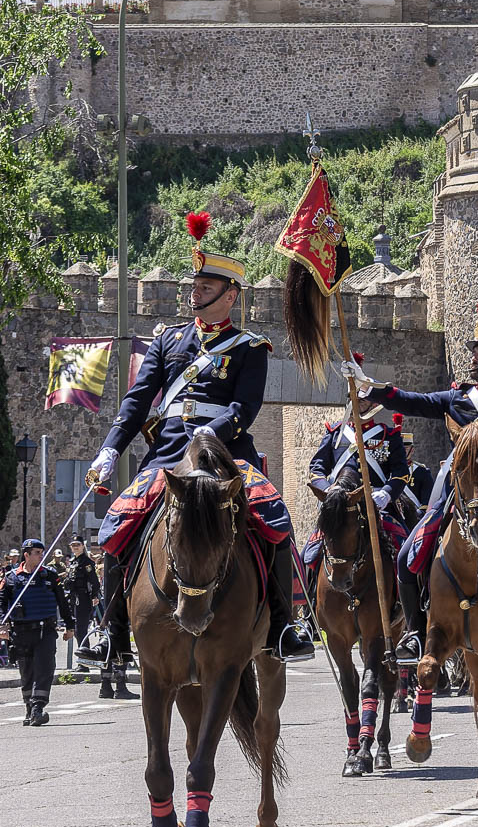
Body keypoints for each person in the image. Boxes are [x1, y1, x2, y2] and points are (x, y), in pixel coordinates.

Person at [86, 213, 312, 675]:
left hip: (226, 453)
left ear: (230, 295)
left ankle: (283, 626)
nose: (196, 292)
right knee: (118, 521)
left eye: (206, 286)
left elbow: (245, 408)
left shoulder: (250, 347)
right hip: (170, 452)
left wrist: (214, 433)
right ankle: (110, 630)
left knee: (275, 517)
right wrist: (110, 449)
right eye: (195, 285)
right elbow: (137, 401)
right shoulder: (167, 341)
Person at [344, 302, 478, 672]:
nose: (474, 359)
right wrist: (370, 387)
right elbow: (412, 401)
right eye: (474, 353)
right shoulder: (457, 397)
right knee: (406, 557)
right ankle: (416, 632)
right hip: (455, 494)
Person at [301, 401, 412, 598]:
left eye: (363, 399)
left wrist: (386, 493)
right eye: (355, 399)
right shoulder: (335, 433)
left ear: (374, 403)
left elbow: (401, 472)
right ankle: (306, 607)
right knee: (308, 553)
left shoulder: (388, 435)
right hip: (339, 505)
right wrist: (328, 491)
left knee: (405, 547)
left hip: (377, 505)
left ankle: (407, 606)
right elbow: (317, 469)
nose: (358, 403)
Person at [0, 541, 72, 726]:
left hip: (45, 630)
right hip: (21, 631)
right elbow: (0, 603)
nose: (41, 556)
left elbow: (62, 602)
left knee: (45, 668)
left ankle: (38, 707)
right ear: (26, 555)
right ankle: (29, 708)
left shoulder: (50, 575)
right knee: (27, 671)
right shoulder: (11, 577)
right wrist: (0, 624)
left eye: (42, 552)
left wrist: (70, 626)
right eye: (37, 552)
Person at [63, 537, 101, 684]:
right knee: (77, 630)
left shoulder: (86, 562)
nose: (75, 547)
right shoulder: (73, 562)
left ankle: (84, 663)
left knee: (81, 629)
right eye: (73, 545)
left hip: (83, 598)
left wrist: (94, 596)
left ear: (82, 546)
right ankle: (83, 661)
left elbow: (94, 581)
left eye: (77, 545)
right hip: (73, 598)